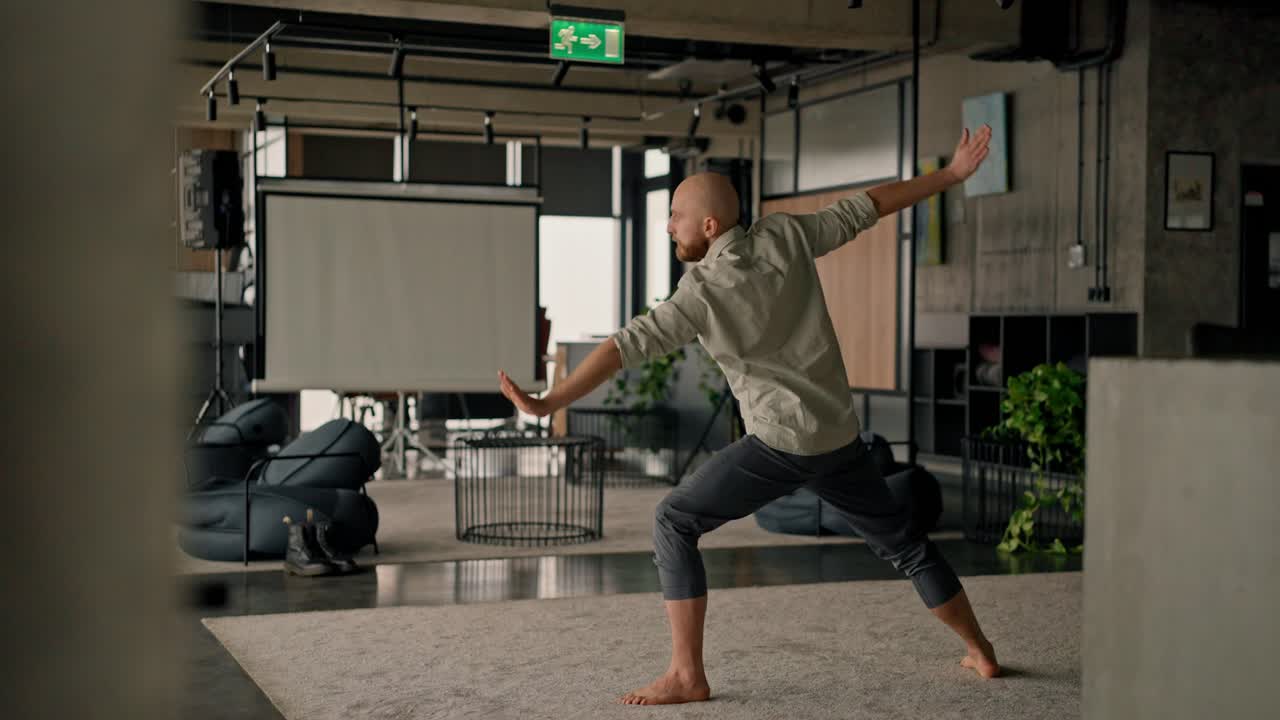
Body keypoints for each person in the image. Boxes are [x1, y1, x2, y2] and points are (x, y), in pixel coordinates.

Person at [498, 125, 999, 706]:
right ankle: (982, 652)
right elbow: (870, 206)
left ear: (709, 227)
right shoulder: (786, 235)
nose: (667, 226)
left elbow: (619, 347)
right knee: (907, 546)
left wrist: (547, 402)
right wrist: (952, 175)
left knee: (672, 521)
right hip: (838, 436)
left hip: (780, 443)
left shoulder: (700, 293)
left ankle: (687, 674)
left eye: (676, 216)